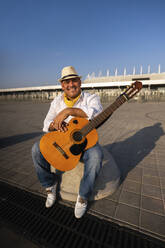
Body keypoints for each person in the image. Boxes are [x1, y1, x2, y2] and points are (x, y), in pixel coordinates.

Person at [32, 66, 103, 218]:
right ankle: (49, 185)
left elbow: (97, 114)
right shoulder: (57, 101)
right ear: (62, 85)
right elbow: (46, 124)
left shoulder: (92, 98)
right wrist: (55, 124)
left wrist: (68, 111)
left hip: (85, 144)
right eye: (67, 82)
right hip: (63, 142)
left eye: (74, 80)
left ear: (80, 82)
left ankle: (83, 196)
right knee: (36, 150)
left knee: (96, 156)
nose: (71, 84)